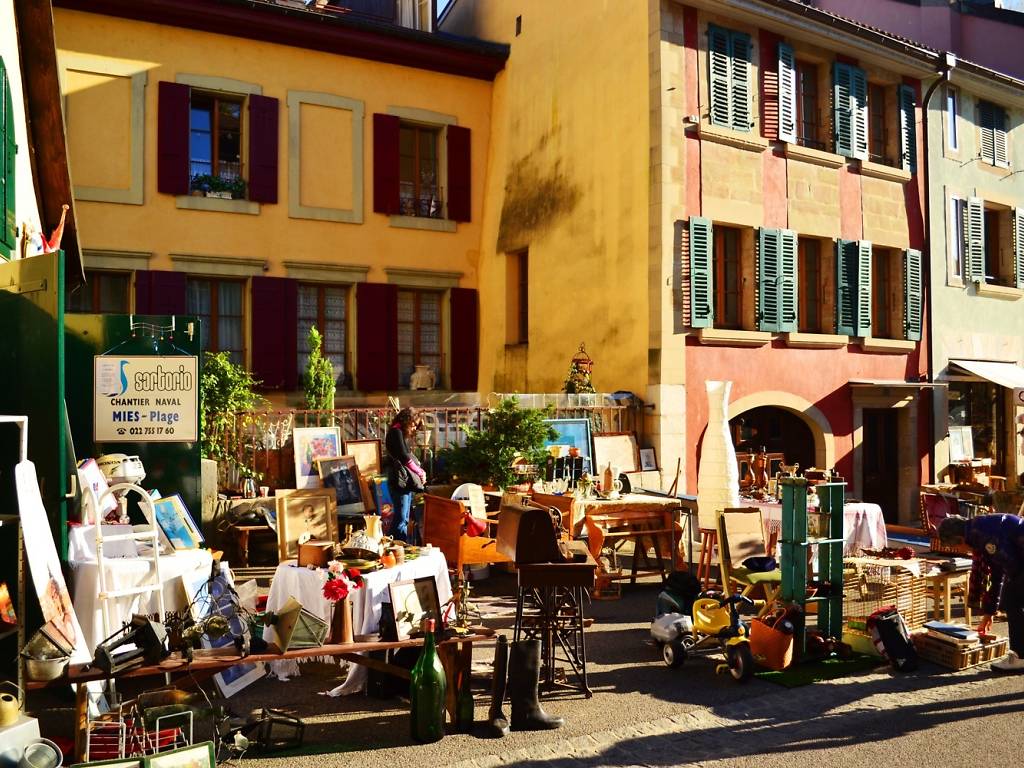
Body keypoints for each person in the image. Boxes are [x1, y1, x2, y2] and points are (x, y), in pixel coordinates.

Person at [938, 512, 1024, 672]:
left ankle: (1020, 658)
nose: (960, 551)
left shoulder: (985, 538)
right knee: (1012, 598)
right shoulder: (979, 529)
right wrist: (989, 613)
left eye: (955, 547)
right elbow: (998, 574)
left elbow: (1012, 567)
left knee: (1013, 600)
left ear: (959, 539)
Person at [386, 407, 427, 543]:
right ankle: (397, 547)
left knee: (404, 517)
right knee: (401, 518)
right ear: (406, 420)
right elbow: (404, 458)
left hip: (403, 481)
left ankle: (396, 546)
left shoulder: (397, 432)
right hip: (399, 482)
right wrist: (420, 472)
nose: (414, 428)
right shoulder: (395, 432)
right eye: (413, 424)